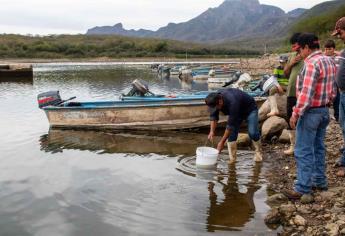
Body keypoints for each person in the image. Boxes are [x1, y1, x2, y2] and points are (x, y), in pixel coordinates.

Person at [282, 33, 337, 200]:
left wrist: (295, 113)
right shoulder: (329, 60)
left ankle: (302, 188)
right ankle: (319, 180)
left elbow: (306, 94)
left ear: (306, 47)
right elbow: (333, 89)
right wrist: (328, 103)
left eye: (301, 49)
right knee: (318, 147)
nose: (300, 53)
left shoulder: (312, 63)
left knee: (303, 150)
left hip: (311, 112)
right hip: (324, 111)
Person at [205, 88, 263, 163]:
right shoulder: (214, 100)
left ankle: (258, 152)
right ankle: (232, 160)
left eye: (215, 108)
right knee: (231, 136)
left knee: (253, 133)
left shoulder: (233, 102)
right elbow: (214, 117)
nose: (215, 109)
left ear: (220, 102)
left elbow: (230, 126)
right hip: (236, 113)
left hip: (249, 109)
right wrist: (211, 131)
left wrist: (222, 142)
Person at [283, 33, 304, 156]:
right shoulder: (292, 56)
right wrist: (291, 64)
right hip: (290, 92)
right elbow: (286, 73)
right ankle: (292, 145)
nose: (293, 47)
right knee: (289, 118)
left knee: (302, 118)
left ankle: (301, 145)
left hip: (302, 93)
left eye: (294, 45)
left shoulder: (307, 56)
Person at [332, 16, 345, 177]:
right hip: (342, 94)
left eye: (340, 33)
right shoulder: (343, 51)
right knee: (343, 128)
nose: (339, 36)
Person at [324, 39, 340, 121]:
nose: (327, 51)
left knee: (337, 100)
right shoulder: (323, 58)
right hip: (327, 83)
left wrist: (339, 53)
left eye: (329, 49)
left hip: (336, 83)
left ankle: (337, 116)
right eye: (326, 49)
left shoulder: (338, 58)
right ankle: (326, 116)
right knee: (326, 100)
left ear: (334, 49)